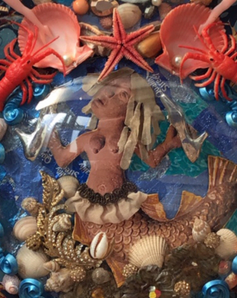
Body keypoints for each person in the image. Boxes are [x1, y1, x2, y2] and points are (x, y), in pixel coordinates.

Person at [46, 69, 181, 224]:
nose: (109, 94)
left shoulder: (128, 138)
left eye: (123, 95)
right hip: (88, 203)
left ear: (135, 110)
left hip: (120, 205)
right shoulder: (86, 138)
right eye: (109, 86)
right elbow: (62, 159)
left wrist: (169, 144)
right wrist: (49, 133)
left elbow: (151, 160)